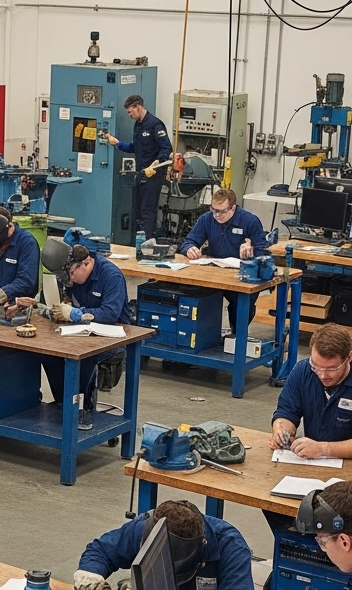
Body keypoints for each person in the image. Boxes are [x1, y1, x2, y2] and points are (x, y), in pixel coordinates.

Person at [71, 500, 254, 590]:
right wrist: (90, 572)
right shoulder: (145, 528)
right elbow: (102, 550)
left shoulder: (230, 546)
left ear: (202, 546)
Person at [40, 238, 131, 424]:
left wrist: (75, 314)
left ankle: (83, 407)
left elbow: (110, 314)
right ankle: (64, 402)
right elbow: (68, 297)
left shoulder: (111, 276)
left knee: (83, 358)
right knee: (48, 353)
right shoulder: (73, 276)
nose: (70, 281)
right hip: (82, 332)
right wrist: (61, 309)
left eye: (72, 274)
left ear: (87, 263)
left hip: (112, 336)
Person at [269, 323, 352, 460]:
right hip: (312, 461)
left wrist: (323, 449)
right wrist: (281, 429)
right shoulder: (303, 371)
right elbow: (287, 411)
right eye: (316, 366)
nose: (322, 375)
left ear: (349, 358)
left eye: (331, 369)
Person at [180, 188, 269, 333]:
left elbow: (263, 252)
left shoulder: (250, 221)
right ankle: (201, 336)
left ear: (233, 208)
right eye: (213, 210)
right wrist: (190, 248)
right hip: (215, 272)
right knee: (193, 296)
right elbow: (188, 241)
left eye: (221, 211)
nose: (216, 215)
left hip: (241, 275)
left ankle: (236, 336)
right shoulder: (207, 219)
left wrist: (251, 247)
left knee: (242, 304)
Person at [102, 94, 172, 237]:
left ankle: (147, 243)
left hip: (153, 174)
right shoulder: (138, 125)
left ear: (138, 107)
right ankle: (139, 241)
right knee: (138, 211)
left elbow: (166, 148)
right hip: (141, 173)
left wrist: (157, 162)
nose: (129, 115)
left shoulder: (155, 124)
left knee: (148, 210)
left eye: (130, 111)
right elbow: (135, 147)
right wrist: (117, 143)